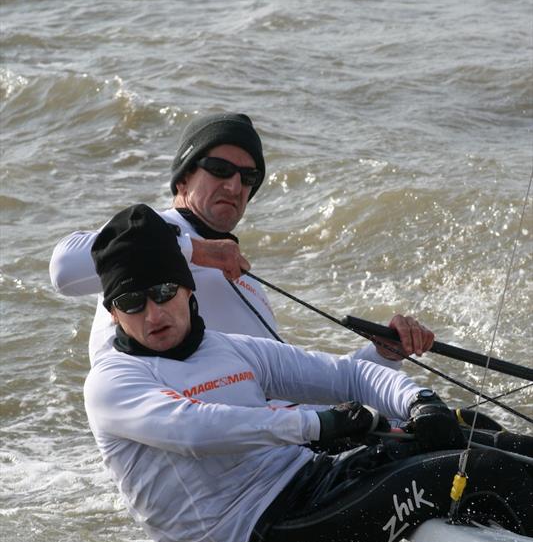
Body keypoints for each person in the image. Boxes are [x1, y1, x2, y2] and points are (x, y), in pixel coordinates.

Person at [83, 204, 533, 542]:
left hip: (318, 482)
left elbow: (347, 374)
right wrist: (320, 425)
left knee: (468, 427)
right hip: (283, 541)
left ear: (188, 290)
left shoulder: (229, 349)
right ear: (112, 311)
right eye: (132, 301)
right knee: (469, 469)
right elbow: (196, 429)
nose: (153, 313)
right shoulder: (112, 382)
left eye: (163, 292)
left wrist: (421, 401)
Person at [50, 111, 434, 366]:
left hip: (267, 447)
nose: (234, 186)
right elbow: (64, 270)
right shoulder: (146, 233)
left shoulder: (246, 283)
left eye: (248, 179)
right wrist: (194, 249)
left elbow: (291, 384)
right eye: (219, 169)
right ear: (183, 178)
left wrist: (384, 352)